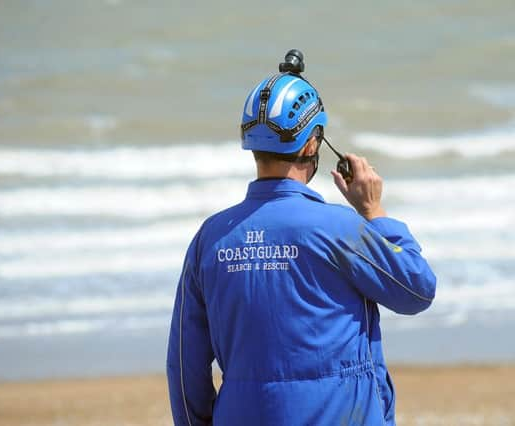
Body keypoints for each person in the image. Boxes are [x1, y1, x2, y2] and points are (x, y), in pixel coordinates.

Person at [167, 51, 436, 426]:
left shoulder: (210, 239)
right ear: (312, 145)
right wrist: (374, 212)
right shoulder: (340, 229)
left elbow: (184, 368)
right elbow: (417, 289)